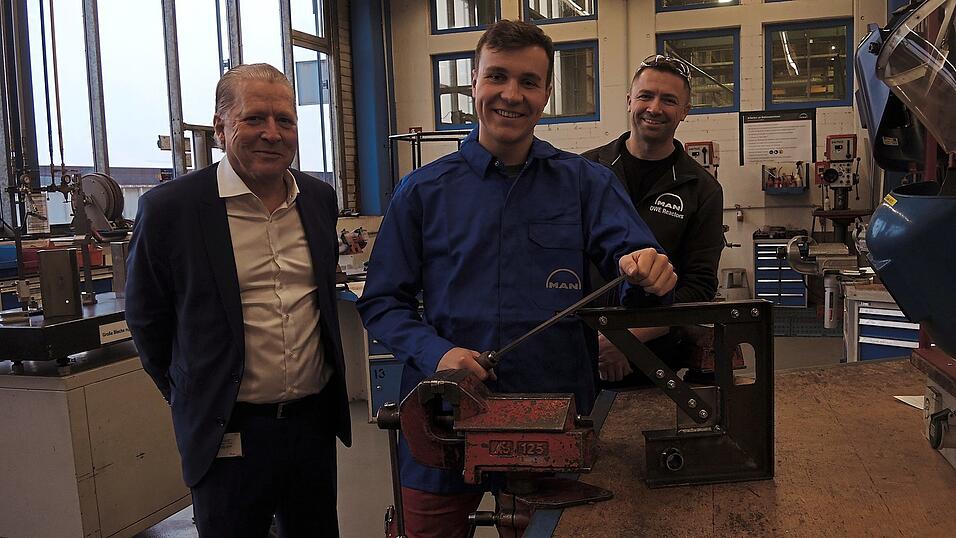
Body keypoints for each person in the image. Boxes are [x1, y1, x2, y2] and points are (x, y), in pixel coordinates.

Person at [357, 20, 677, 538]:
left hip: (551, 420)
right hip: (443, 419)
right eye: (497, 77)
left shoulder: (586, 184)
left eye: (529, 81)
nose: (511, 94)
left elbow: (637, 269)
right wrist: (439, 354)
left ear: (546, 94)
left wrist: (648, 274)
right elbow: (381, 303)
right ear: (474, 85)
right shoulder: (421, 191)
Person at [125, 63, 351, 537]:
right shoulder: (171, 209)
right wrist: (193, 395)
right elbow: (147, 319)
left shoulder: (317, 198)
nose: (272, 133)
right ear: (220, 126)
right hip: (228, 429)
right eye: (253, 119)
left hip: (311, 425)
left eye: (285, 120)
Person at [582, 55, 725, 385]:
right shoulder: (586, 171)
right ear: (629, 100)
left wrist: (627, 338)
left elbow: (699, 287)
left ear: (685, 111)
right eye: (645, 96)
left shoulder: (702, 189)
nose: (654, 108)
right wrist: (593, 341)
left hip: (654, 361)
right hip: (581, 348)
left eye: (669, 100)